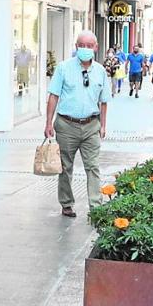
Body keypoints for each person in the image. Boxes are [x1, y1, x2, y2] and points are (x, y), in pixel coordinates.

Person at [44, 31, 111, 219]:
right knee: (65, 167)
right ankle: (66, 204)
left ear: (96, 48)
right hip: (66, 125)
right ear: (76, 46)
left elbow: (104, 101)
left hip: (91, 125)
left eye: (90, 45)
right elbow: (53, 96)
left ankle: (96, 206)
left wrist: (103, 126)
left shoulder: (100, 71)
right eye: (82, 45)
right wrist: (48, 122)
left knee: (93, 166)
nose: (86, 49)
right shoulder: (64, 68)